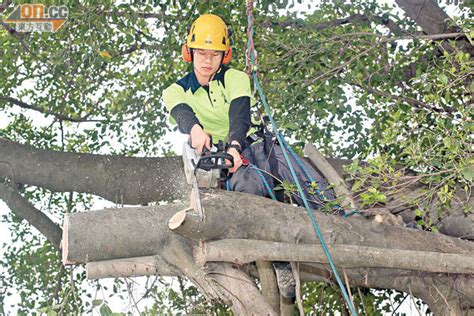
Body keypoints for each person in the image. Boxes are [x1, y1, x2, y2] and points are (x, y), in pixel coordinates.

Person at [163, 13, 337, 300]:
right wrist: (196, 131)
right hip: (227, 157)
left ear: (224, 56)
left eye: (214, 54)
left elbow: (240, 114)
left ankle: (340, 218)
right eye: (202, 53)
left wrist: (234, 146)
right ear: (189, 52)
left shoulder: (235, 78)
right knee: (250, 191)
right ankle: (279, 260)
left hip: (254, 143)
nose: (208, 61)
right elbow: (183, 114)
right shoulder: (175, 90)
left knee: (296, 171)